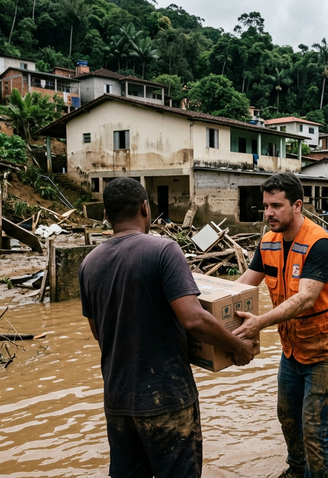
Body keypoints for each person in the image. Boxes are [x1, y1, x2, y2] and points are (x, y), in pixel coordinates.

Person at [79, 177, 257, 478]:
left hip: (118, 400)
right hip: (167, 399)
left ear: (106, 215)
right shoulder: (163, 250)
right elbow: (194, 319)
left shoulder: (89, 263)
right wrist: (238, 347)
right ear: (145, 208)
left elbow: (99, 333)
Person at [233, 172, 328, 478]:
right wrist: (209, 304)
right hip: (293, 348)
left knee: (315, 427)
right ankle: (297, 470)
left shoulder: (320, 244)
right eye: (266, 206)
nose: (269, 213)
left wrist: (258, 323)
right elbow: (244, 285)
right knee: (287, 416)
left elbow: (305, 299)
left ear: (297, 206)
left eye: (276, 206)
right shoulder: (268, 242)